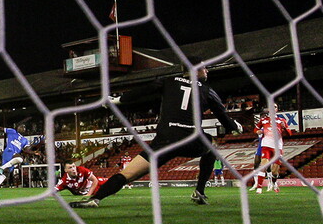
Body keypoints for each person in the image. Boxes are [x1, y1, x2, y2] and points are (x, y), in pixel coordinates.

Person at [71, 66, 242, 208]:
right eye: (204, 68)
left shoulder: (168, 81)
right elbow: (222, 115)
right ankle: (199, 191)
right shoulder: (207, 90)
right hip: (190, 139)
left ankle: (95, 199)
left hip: (164, 141)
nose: (207, 71)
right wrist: (235, 127)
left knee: (128, 174)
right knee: (212, 145)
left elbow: (144, 90)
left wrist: (117, 100)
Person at [0, 124, 42, 194]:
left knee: (5, 173)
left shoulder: (25, 140)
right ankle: (2, 167)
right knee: (20, 159)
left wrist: (34, 152)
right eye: (21, 126)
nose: (22, 128)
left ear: (25, 130)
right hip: (9, 152)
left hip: (13, 158)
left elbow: (26, 150)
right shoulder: (12, 131)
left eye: (24, 127)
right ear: (18, 128)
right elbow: (1, 128)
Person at [251, 104, 292, 194]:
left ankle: (274, 182)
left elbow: (290, 134)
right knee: (263, 165)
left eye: (275, 107)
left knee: (274, 171)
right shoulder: (263, 120)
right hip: (266, 145)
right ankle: (259, 188)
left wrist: (284, 128)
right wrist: (258, 131)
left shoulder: (282, 120)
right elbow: (255, 129)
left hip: (277, 147)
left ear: (277, 109)